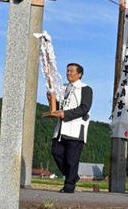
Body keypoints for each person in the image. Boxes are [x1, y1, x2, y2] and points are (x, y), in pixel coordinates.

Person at [50, 63, 92, 193]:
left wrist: (66, 114)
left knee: (71, 159)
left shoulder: (85, 88)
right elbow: (58, 107)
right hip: (61, 129)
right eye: (68, 71)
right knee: (56, 152)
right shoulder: (62, 88)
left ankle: (69, 187)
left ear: (79, 74)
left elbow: (84, 108)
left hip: (75, 129)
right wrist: (52, 100)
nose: (68, 73)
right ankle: (73, 176)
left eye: (72, 71)